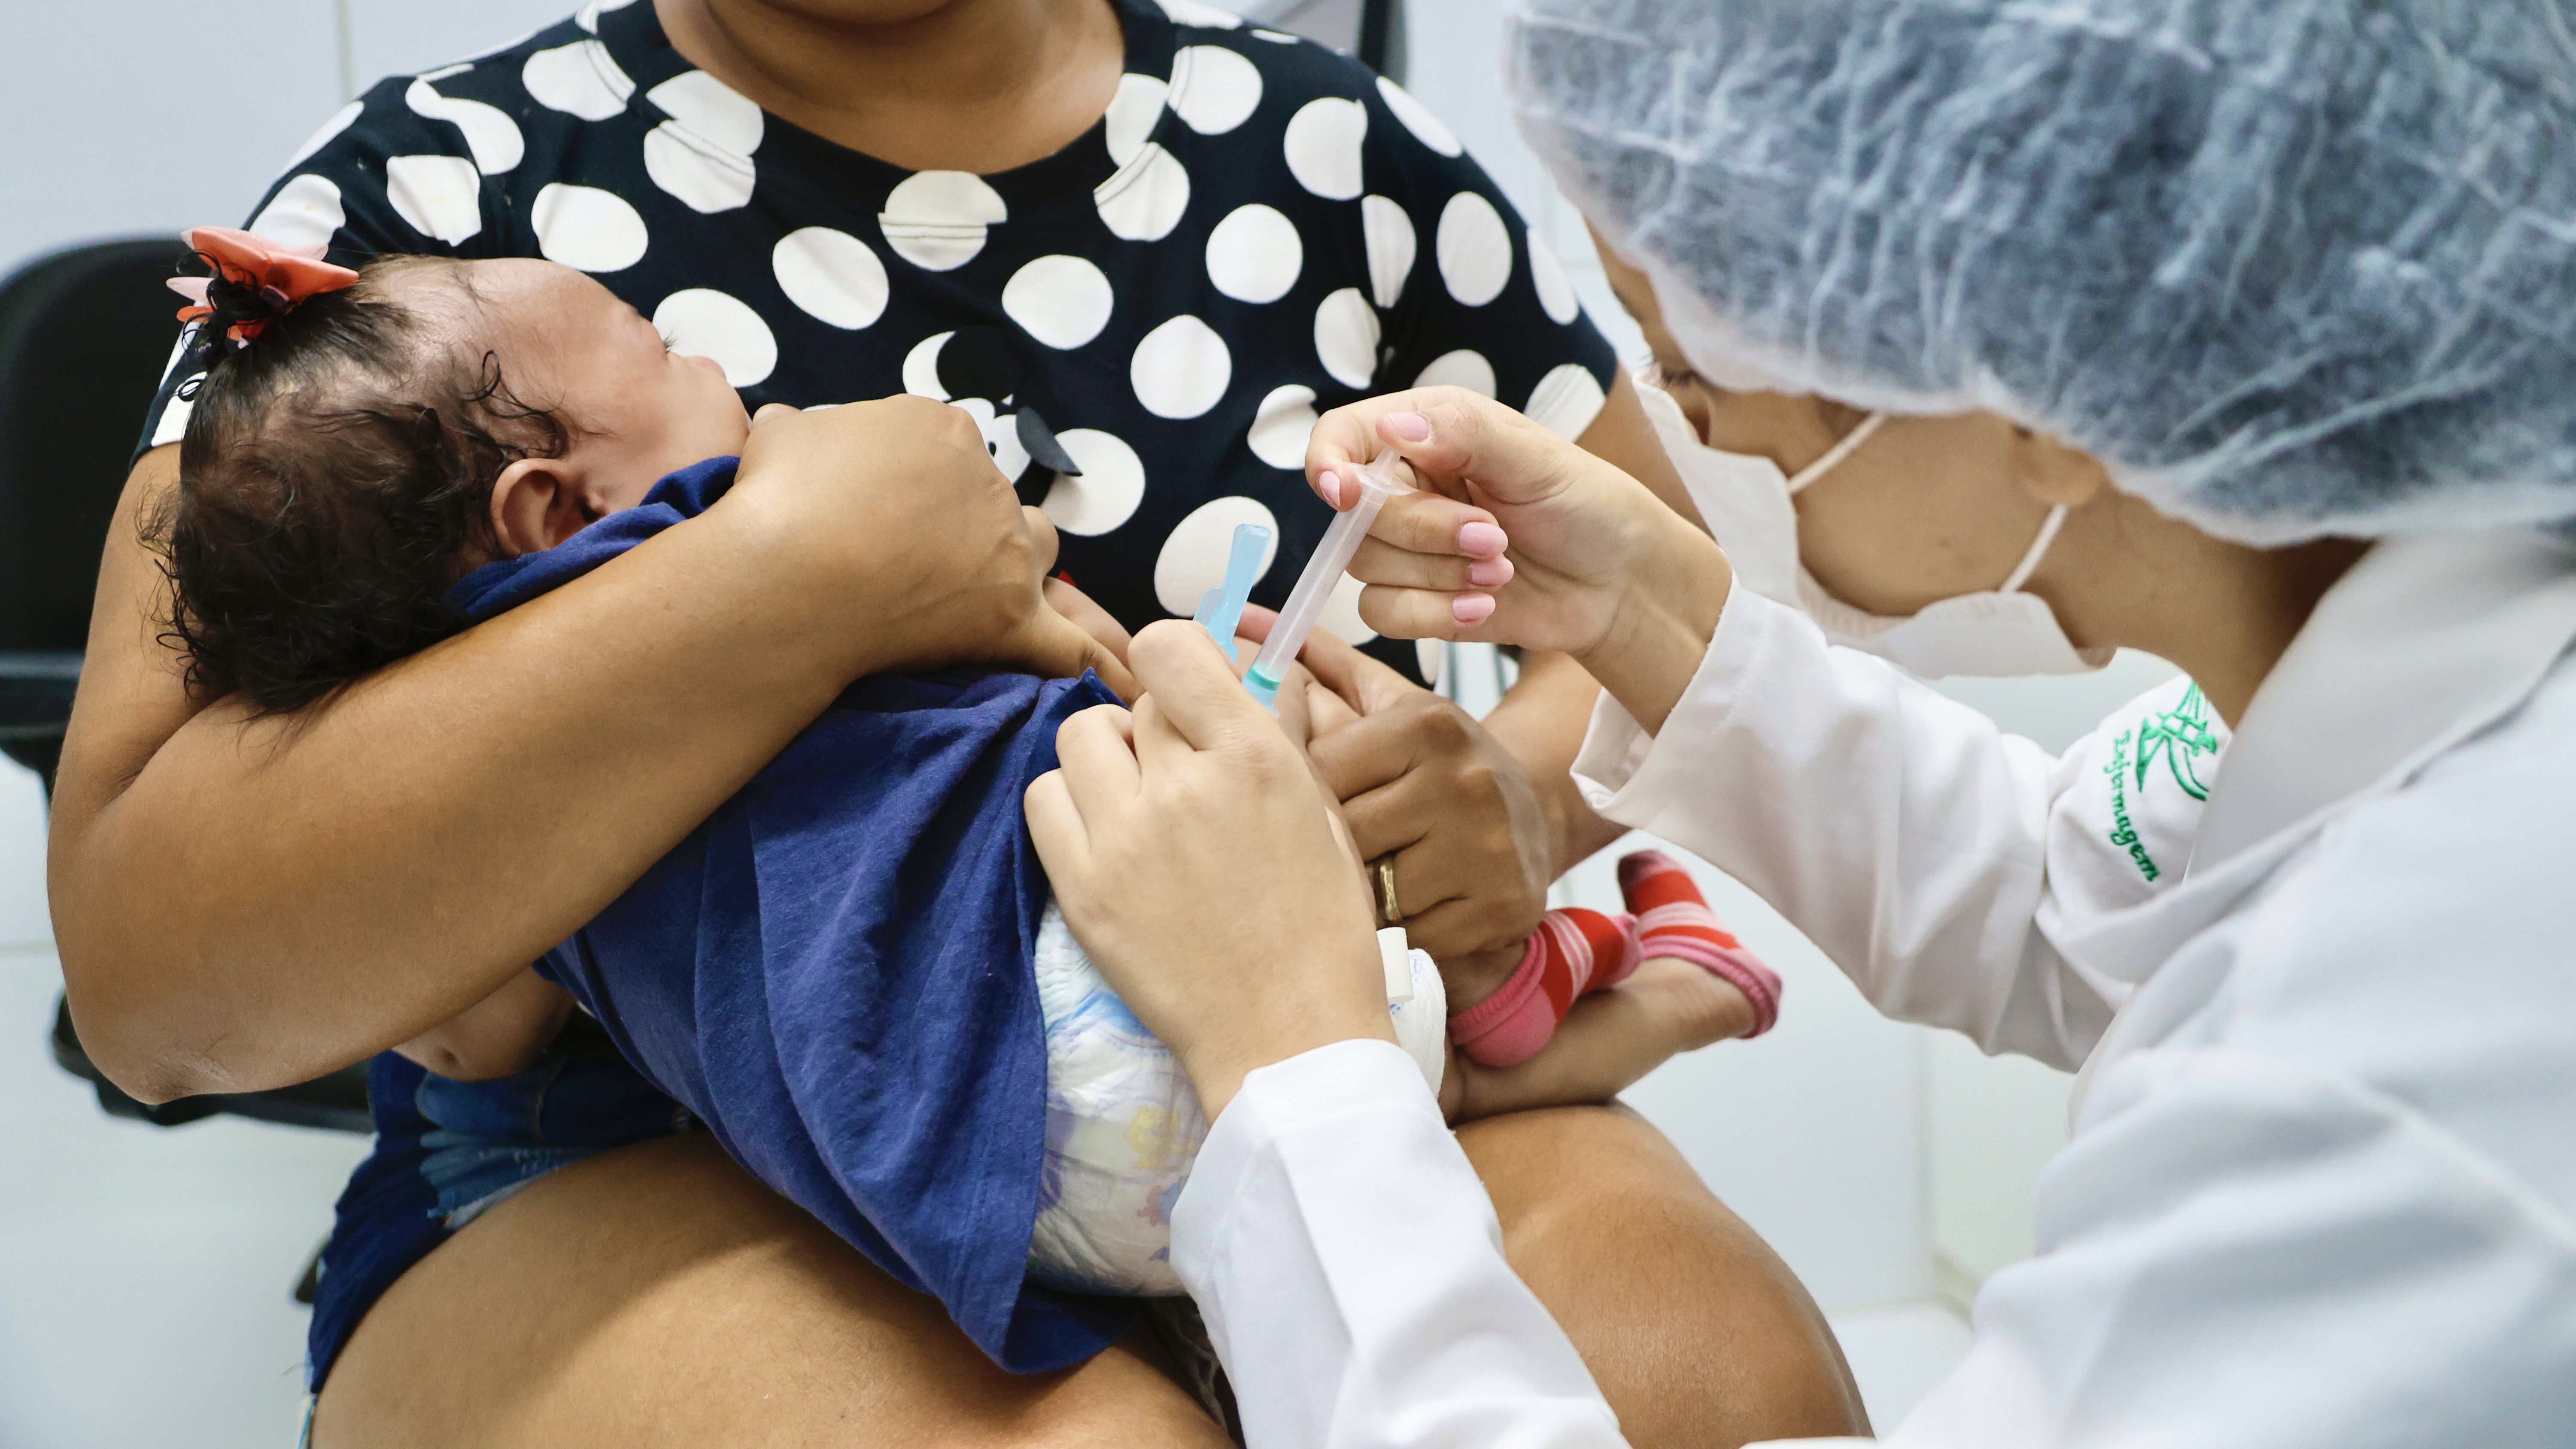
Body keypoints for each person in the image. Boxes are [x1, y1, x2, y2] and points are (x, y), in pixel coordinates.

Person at [55, 4, 1870, 1431]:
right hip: (652, 1139)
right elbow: (152, 973)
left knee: (1715, 1395)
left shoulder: (1337, 157)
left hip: (1282, 1017)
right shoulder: (426, 208)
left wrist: (1518, 801)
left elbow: (1663, 619)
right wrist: (794, 578)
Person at [1027, 0, 2576, 1443]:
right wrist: (1647, 620)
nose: (1673, 418)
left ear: (2040, 372)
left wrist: (1294, 1055)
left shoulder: (2395, 1083)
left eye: (1694, 355)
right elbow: (2081, 895)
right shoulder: (2418, 689)